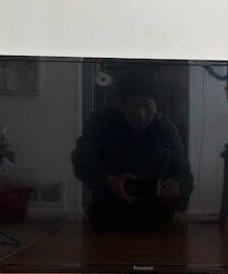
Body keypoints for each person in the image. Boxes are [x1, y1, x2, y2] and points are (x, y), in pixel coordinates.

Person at [72, 67, 194, 231]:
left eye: (147, 106)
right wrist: (108, 180)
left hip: (155, 218)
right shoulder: (101, 122)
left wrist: (178, 187)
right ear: (122, 105)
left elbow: (183, 171)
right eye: (135, 106)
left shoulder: (166, 128)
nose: (141, 114)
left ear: (156, 106)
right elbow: (81, 159)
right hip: (108, 215)